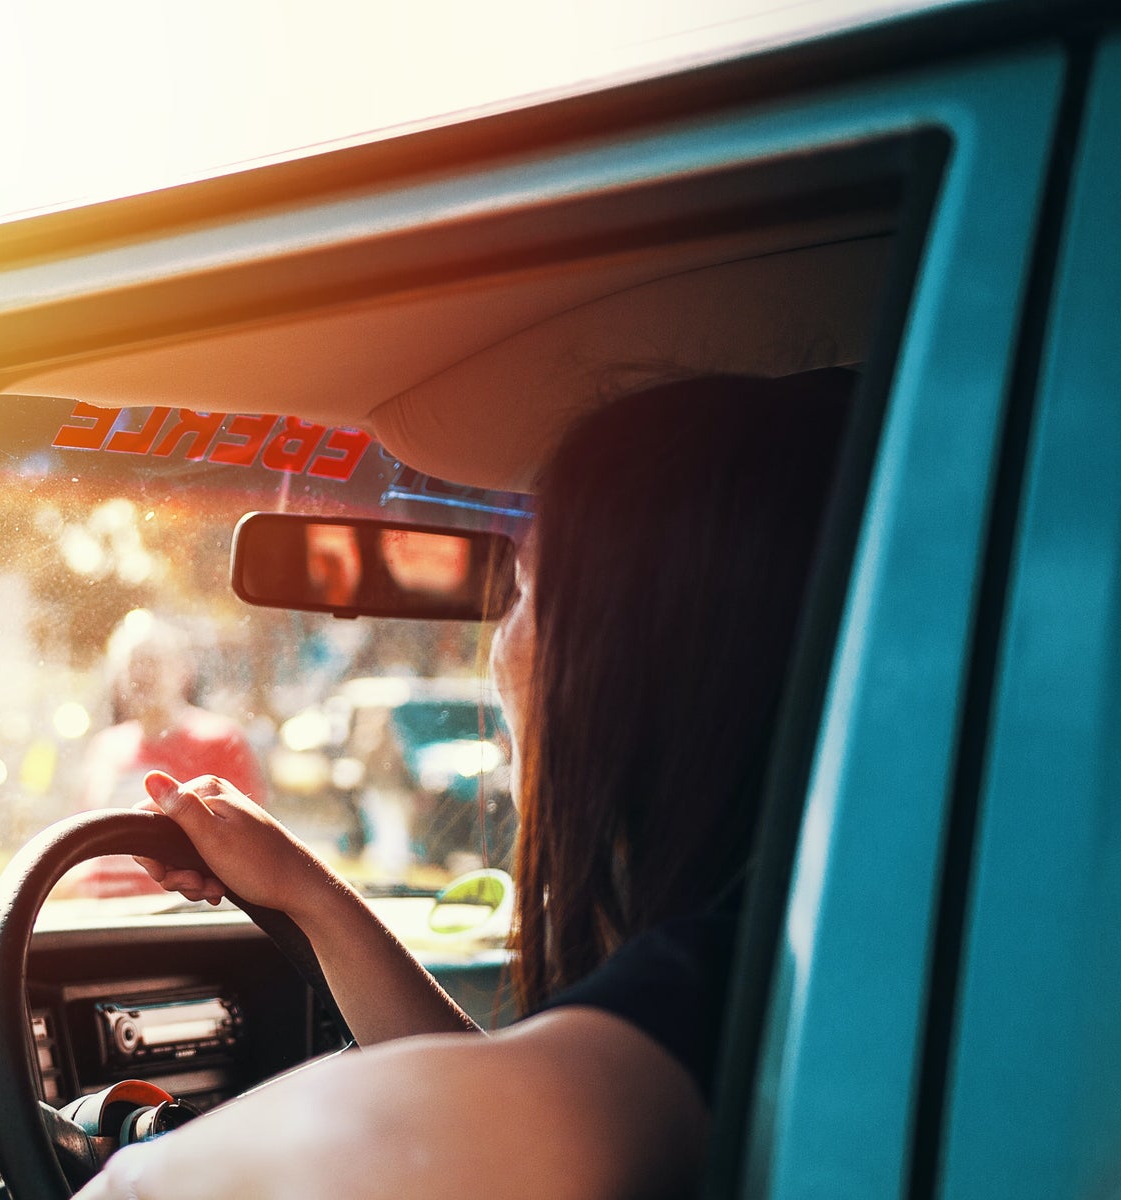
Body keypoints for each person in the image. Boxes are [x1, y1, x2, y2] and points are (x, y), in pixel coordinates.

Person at [81, 372, 851, 1198]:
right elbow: (501, 1087)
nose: (496, 650)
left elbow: (478, 1127)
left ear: (630, 658)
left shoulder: (729, 965)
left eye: (521, 592)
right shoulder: (813, 925)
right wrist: (306, 891)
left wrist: (124, 1177)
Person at [72, 615, 267, 898]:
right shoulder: (106, 747)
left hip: (178, 917)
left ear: (183, 670)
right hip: (103, 914)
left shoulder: (220, 739)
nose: (141, 674)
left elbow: (252, 847)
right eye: (130, 664)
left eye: (152, 661)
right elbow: (84, 844)